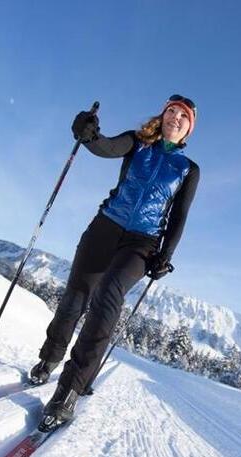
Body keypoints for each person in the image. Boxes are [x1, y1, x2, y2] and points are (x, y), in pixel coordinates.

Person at [31, 95, 200, 429]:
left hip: (142, 242)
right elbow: (106, 147)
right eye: (171, 111)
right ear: (162, 116)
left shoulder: (188, 169)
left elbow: (179, 217)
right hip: (105, 227)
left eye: (183, 116)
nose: (175, 118)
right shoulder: (138, 142)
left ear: (188, 128)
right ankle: (48, 358)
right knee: (77, 295)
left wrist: (165, 256)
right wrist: (89, 133)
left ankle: (69, 390)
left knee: (108, 294)